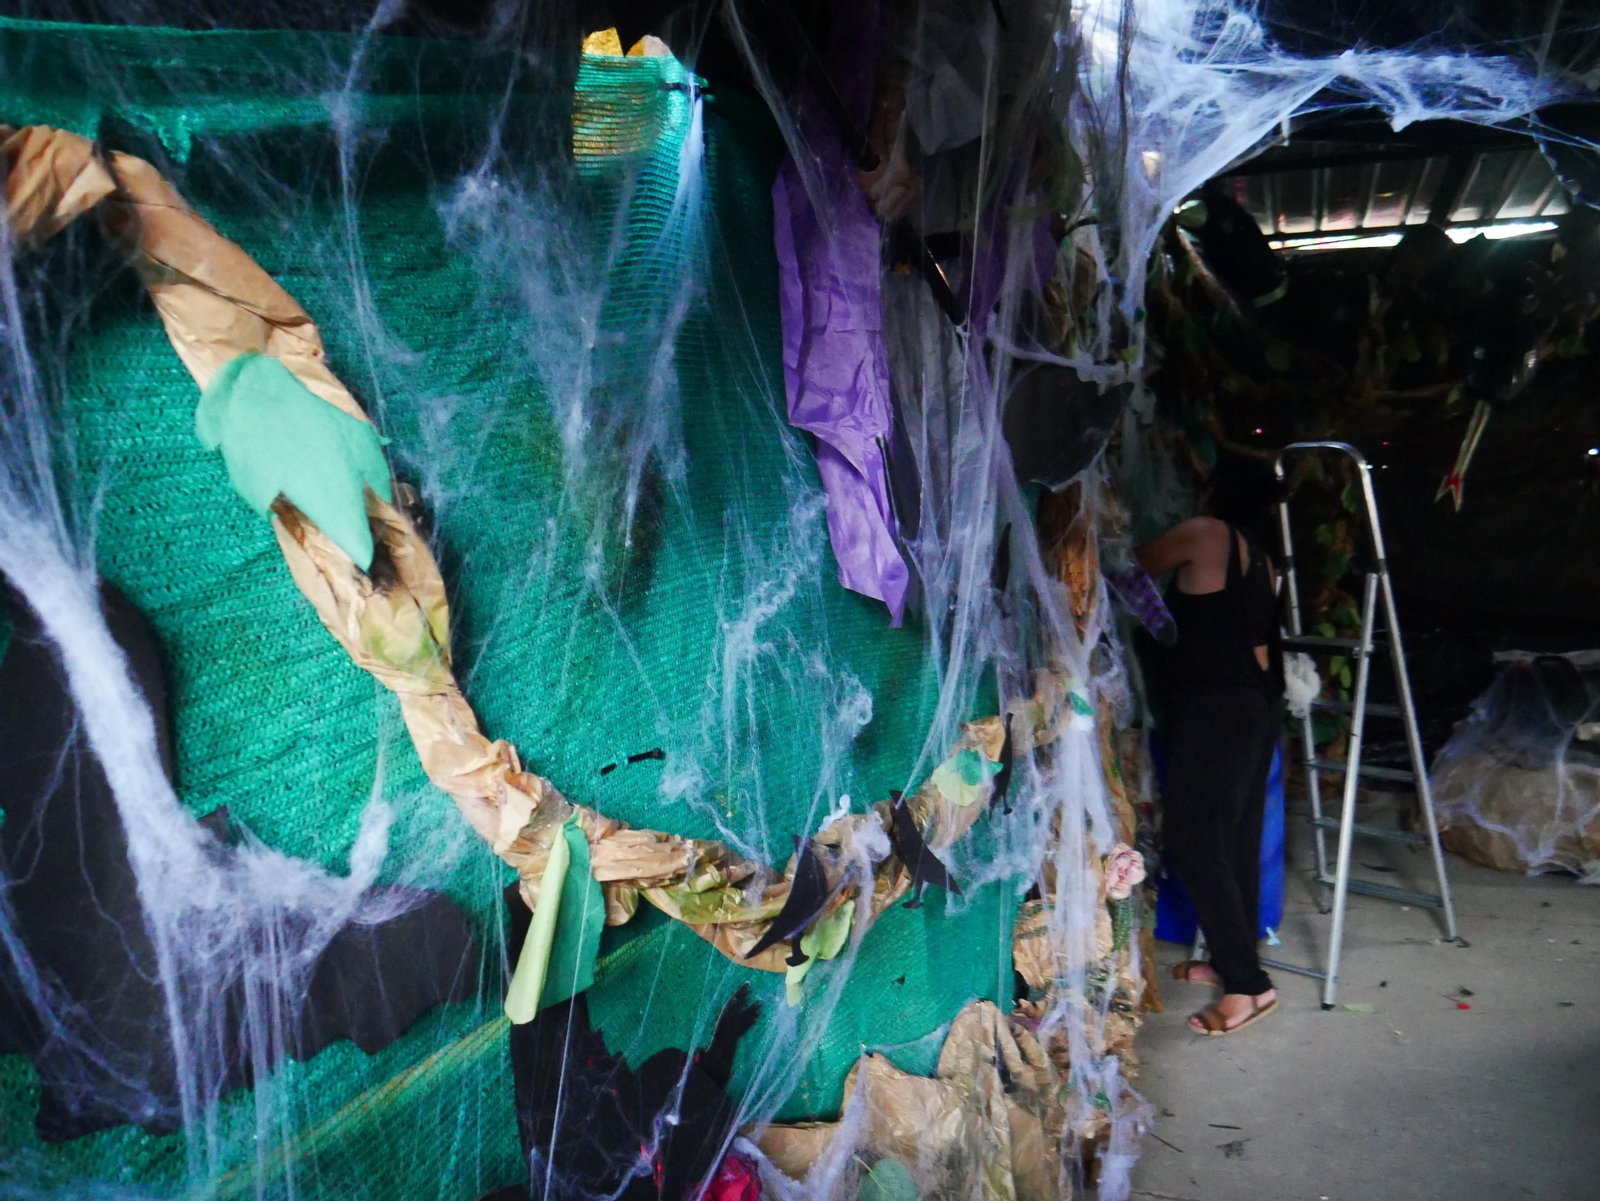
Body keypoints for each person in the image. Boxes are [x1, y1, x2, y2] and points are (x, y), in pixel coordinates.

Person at [1136, 454, 1286, 1036]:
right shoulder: (1257, 551)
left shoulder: (1205, 534)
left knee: (1197, 845)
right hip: (1254, 707)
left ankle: (1249, 988)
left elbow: (1136, 563)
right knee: (1236, 840)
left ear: (1217, 491)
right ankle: (1232, 963)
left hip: (1216, 709)